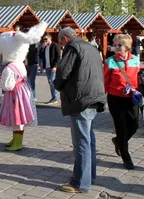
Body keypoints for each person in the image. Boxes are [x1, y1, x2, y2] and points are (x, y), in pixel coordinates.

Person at [54, 28, 106, 194]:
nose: (60, 44)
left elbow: (63, 71)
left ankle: (80, 183)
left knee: (81, 143)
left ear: (66, 38)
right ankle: (89, 176)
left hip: (80, 99)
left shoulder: (73, 48)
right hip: (94, 96)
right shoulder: (91, 47)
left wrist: (58, 86)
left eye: (61, 40)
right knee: (89, 140)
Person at [0, 22, 45, 151]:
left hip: (15, 96)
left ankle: (17, 143)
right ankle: (15, 140)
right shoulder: (20, 64)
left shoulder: (9, 68)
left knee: (16, 118)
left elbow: (8, 86)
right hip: (23, 92)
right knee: (19, 118)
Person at [104, 34, 140, 170]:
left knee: (134, 125)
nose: (116, 47)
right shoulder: (110, 61)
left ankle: (118, 141)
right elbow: (105, 81)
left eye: (119, 45)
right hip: (115, 98)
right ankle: (126, 157)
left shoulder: (135, 60)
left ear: (127, 47)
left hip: (132, 98)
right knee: (122, 128)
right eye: (115, 45)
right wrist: (102, 98)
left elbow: (137, 77)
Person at [39, 34, 61, 104]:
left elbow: (58, 56)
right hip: (47, 67)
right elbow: (40, 56)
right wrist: (42, 48)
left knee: (52, 81)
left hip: (53, 67)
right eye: (44, 39)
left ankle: (55, 98)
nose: (44, 40)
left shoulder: (55, 45)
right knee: (50, 82)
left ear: (49, 39)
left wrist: (55, 66)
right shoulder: (45, 47)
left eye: (46, 39)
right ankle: (53, 97)